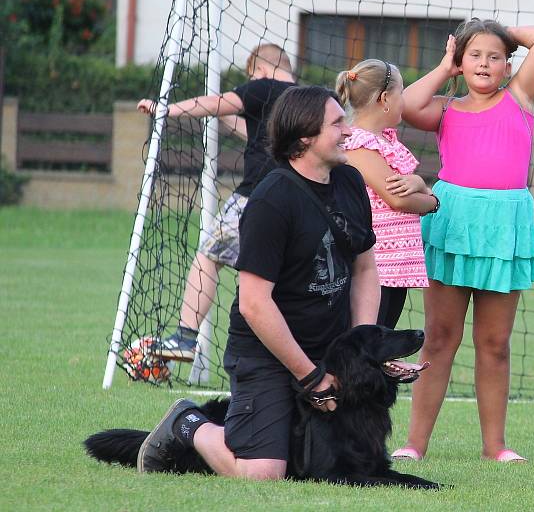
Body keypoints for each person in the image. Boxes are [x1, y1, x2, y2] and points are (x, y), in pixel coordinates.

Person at [137, 85, 380, 479]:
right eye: (337, 123)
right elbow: (253, 302)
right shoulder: (271, 200)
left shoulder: (350, 182)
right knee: (264, 472)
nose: (348, 130)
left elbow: (366, 268)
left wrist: (359, 344)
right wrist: (312, 376)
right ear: (305, 136)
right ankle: (187, 422)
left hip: (328, 350)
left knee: (331, 464)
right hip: (264, 354)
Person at [391, 18, 534, 463]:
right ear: (460, 63)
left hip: (505, 228)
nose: (485, 63)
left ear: (508, 66)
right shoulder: (445, 108)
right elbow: (405, 105)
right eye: (475, 55)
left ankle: (495, 447)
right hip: (453, 225)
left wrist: (491, 29)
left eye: (495, 56)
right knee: (440, 338)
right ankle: (414, 445)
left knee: (494, 342)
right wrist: (445, 65)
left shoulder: (520, 98)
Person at [137, 43, 296, 361]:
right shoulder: (306, 100)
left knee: (209, 257)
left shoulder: (261, 87)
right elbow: (260, 134)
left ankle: (185, 337)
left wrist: (166, 109)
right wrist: (225, 118)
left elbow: (214, 102)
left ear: (260, 71)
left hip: (257, 197)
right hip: (299, 201)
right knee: (284, 279)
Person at [336, 59, 439, 329]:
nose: (403, 100)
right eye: (401, 93)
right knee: (367, 343)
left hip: (394, 267)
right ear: (384, 99)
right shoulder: (359, 144)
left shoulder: (386, 141)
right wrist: (433, 201)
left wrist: (418, 184)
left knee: (383, 343)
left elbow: (408, 188)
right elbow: (398, 198)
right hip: (374, 267)